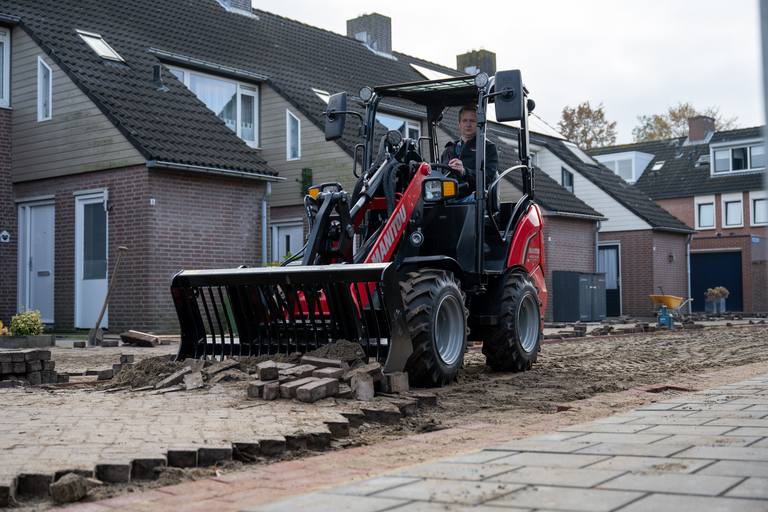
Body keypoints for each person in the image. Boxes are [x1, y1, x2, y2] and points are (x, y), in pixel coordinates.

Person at [440, 104, 498, 203]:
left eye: (472, 121)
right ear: (459, 123)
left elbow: (488, 177)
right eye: (464, 120)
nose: (468, 124)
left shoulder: (487, 148)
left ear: (479, 123)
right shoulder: (448, 150)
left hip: (471, 198)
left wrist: (465, 172)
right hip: (446, 199)